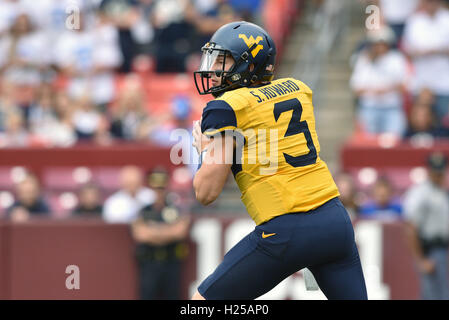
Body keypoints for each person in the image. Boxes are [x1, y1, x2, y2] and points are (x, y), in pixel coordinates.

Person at [191, 21, 367, 300]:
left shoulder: (227, 107)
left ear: (248, 67)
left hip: (286, 230)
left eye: (222, 61)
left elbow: (206, 193)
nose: (212, 70)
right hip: (335, 222)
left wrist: (205, 149)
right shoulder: (298, 88)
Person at [131, 167, 190, 300]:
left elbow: (180, 232)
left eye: (161, 188)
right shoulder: (143, 211)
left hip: (171, 263)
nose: (159, 192)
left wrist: (153, 230)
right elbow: (140, 234)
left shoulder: (176, 209)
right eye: (156, 188)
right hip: (149, 263)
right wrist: (168, 231)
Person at [403, 152, 449, 300]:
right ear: (429, 171)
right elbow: (411, 228)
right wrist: (420, 260)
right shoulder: (420, 194)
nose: (438, 176)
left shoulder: (442, 191)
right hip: (431, 251)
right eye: (436, 172)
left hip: (443, 251)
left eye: (440, 172)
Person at [350, 25, 408, 137]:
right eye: (376, 44)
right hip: (369, 110)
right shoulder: (363, 60)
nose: (379, 47)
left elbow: (405, 85)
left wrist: (386, 89)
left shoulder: (397, 59)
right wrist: (375, 90)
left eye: (382, 43)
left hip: (392, 109)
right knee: (369, 144)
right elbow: (356, 88)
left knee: (393, 143)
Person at [402, 0, 449, 123]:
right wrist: (424, 52)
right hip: (420, 82)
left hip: (445, 83)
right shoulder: (414, 21)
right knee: (420, 122)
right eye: (428, 2)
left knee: (445, 123)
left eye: (433, 2)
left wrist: (435, 50)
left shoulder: (447, 18)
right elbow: (407, 51)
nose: (431, 5)